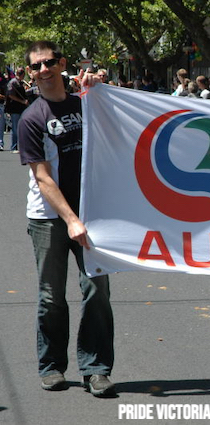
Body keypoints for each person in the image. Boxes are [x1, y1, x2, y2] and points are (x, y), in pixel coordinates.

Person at [18, 40, 116, 397]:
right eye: (36, 66)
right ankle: (52, 366)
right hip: (48, 218)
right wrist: (71, 219)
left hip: (91, 214)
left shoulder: (84, 103)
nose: (43, 70)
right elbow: (43, 178)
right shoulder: (31, 119)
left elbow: (119, 125)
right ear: (30, 74)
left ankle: (96, 369)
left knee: (97, 290)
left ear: (62, 64)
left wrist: (101, 88)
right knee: (51, 296)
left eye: (49, 63)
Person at [6, 66, 29, 152]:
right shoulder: (13, 83)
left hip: (21, 108)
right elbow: (11, 95)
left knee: (21, 127)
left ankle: (21, 146)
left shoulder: (20, 83)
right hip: (15, 108)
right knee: (15, 128)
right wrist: (22, 101)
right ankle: (14, 146)